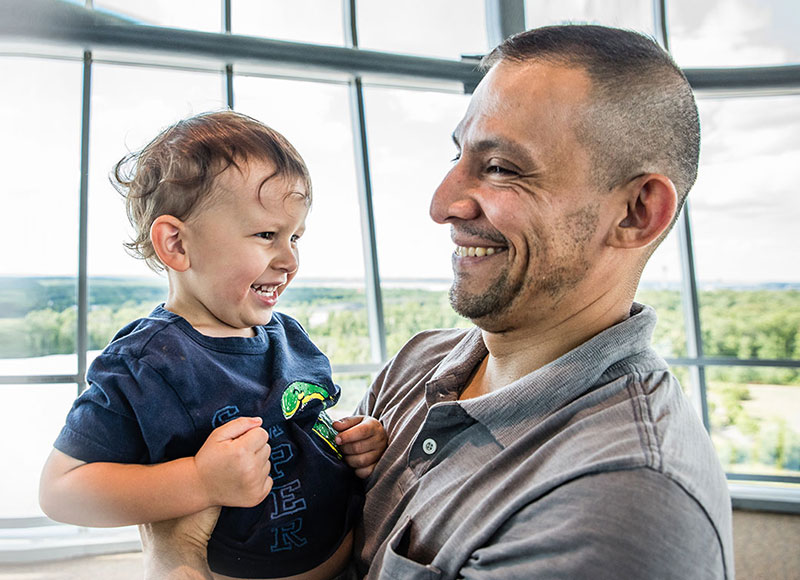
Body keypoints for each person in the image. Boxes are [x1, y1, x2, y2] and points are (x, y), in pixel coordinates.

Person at [143, 24, 734, 579]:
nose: (442, 202)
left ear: (636, 213)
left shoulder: (622, 503)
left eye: (500, 168)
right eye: (459, 158)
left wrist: (177, 556)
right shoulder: (419, 363)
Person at [38, 110, 386, 580]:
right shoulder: (147, 363)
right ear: (177, 244)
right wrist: (199, 481)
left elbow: (305, 425)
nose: (289, 260)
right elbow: (61, 490)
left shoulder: (287, 335)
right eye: (266, 235)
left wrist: (350, 441)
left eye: (295, 236)